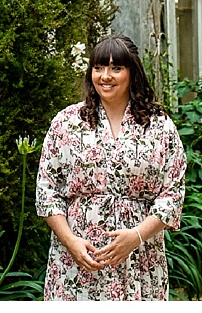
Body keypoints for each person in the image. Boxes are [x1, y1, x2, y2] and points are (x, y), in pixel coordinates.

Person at [36, 35, 187, 300]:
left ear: (132, 72)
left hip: (139, 258)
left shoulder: (158, 125)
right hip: (78, 258)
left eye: (116, 68)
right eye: (98, 68)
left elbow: (173, 192)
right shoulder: (67, 122)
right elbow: (47, 190)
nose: (105, 76)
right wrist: (70, 242)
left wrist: (136, 236)